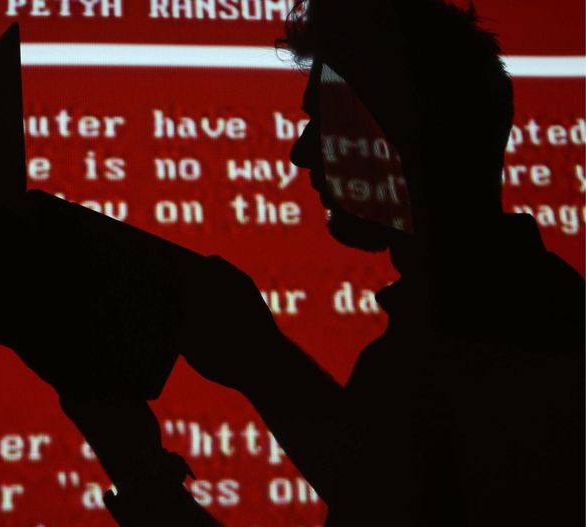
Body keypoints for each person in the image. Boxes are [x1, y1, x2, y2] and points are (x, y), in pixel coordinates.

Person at [180, 0, 585, 525]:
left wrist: (139, 463)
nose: (301, 153)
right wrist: (261, 359)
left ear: (409, 135)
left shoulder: (460, 363)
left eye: (327, 122)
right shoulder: (541, 321)